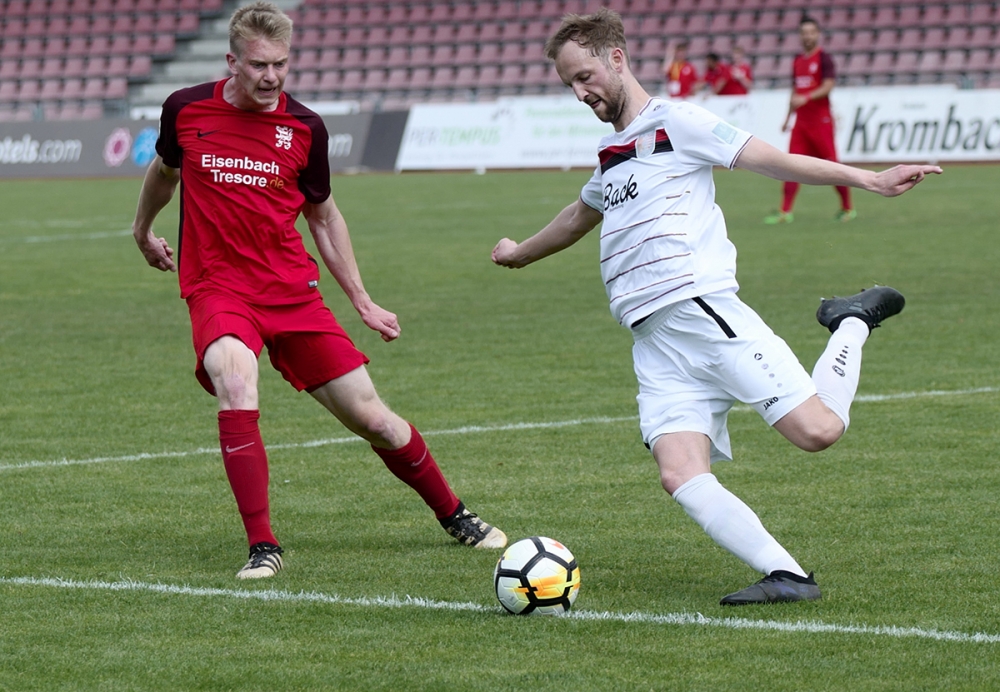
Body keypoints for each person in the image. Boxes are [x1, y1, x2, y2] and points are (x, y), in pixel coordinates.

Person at [491, 8, 940, 605]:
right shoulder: (611, 151)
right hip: (652, 339)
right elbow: (579, 215)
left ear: (616, 59)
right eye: (569, 83)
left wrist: (870, 180)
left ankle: (851, 321)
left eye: (584, 76)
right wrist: (520, 253)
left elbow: (771, 158)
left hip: (698, 309)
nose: (580, 92)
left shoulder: (677, 122)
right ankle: (788, 576)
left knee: (818, 431)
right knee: (679, 471)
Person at [131, 1, 506, 580]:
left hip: (291, 293)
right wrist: (142, 231)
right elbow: (164, 172)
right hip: (218, 287)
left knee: (374, 420)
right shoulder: (185, 109)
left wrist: (362, 300)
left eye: (281, 64)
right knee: (235, 378)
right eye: (259, 65)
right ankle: (263, 545)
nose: (271, 77)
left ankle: (453, 512)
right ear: (232, 61)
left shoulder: (306, 128)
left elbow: (324, 218)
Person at [765, 16, 852, 224]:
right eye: (804, 33)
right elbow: (795, 91)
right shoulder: (797, 60)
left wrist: (807, 97)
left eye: (811, 32)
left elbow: (828, 86)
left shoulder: (824, 59)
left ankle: (847, 208)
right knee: (790, 165)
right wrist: (788, 117)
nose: (808, 36)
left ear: (818, 34)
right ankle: (785, 211)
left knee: (832, 166)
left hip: (821, 122)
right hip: (801, 124)